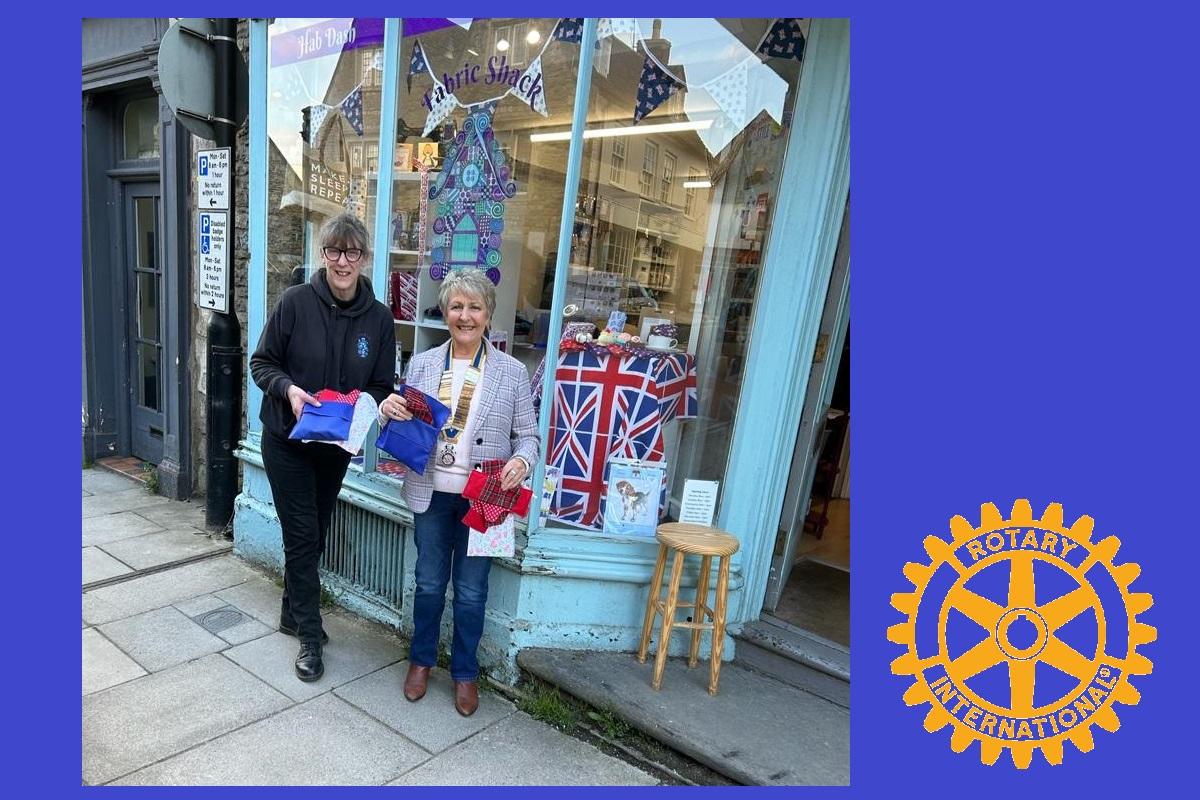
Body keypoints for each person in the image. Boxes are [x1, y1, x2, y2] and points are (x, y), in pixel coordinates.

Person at [379, 267, 539, 716]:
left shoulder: (511, 372)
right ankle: (421, 661)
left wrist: (521, 461)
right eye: (456, 306)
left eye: (474, 307)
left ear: (488, 314)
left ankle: (465, 673)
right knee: (429, 582)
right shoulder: (424, 363)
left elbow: (529, 436)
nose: (464, 316)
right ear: (444, 312)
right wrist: (387, 409)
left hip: (483, 499)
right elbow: (402, 424)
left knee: (471, 591)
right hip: (430, 492)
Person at [250, 213, 396, 683]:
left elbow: (380, 383)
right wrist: (289, 390)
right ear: (323, 254)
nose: (342, 261)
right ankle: (310, 637)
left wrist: (371, 405)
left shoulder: (379, 319)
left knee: (318, 529)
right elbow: (262, 363)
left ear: (364, 258)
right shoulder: (295, 302)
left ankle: (292, 611)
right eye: (334, 251)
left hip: (334, 448)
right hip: (287, 441)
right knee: (303, 535)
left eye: (352, 252)